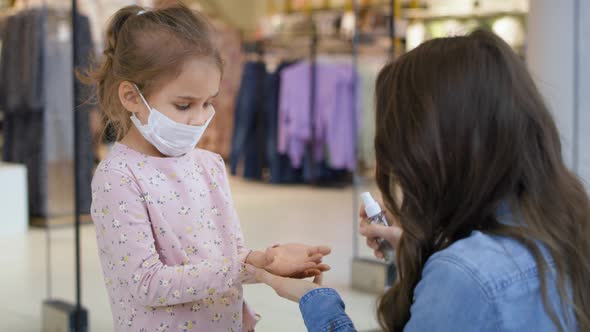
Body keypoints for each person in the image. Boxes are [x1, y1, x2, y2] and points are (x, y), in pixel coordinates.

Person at [253, 29, 590, 332]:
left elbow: (470, 286)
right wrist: (414, 251)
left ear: (430, 145)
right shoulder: (567, 221)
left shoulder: (464, 276)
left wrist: (317, 300)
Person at [86, 4, 331, 331]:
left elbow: (229, 257)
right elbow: (146, 283)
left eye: (208, 102)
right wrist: (249, 264)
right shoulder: (118, 177)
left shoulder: (209, 165)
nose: (201, 118)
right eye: (184, 105)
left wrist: (267, 263)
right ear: (131, 96)